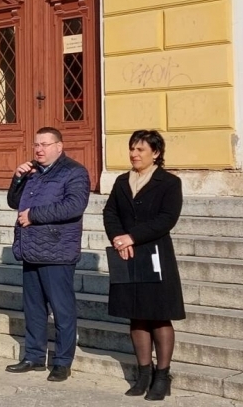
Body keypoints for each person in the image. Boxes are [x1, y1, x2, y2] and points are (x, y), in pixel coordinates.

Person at [103, 130, 185, 401]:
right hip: (125, 254)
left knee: (159, 314)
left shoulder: (169, 182)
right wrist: (118, 238)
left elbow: (167, 218)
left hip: (155, 253)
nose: (134, 154)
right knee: (136, 314)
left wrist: (133, 236)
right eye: (132, 149)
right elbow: (110, 212)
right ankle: (143, 374)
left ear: (156, 153)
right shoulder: (121, 181)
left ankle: (162, 376)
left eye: (140, 150)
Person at [5, 127, 90, 382]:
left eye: (44, 144)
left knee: (62, 310)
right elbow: (13, 202)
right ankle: (33, 356)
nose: (39, 149)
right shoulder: (32, 172)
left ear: (59, 147)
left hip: (57, 251)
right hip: (31, 249)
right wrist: (17, 178)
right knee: (33, 308)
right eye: (36, 144)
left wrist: (34, 215)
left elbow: (75, 206)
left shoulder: (74, 172)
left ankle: (62, 362)